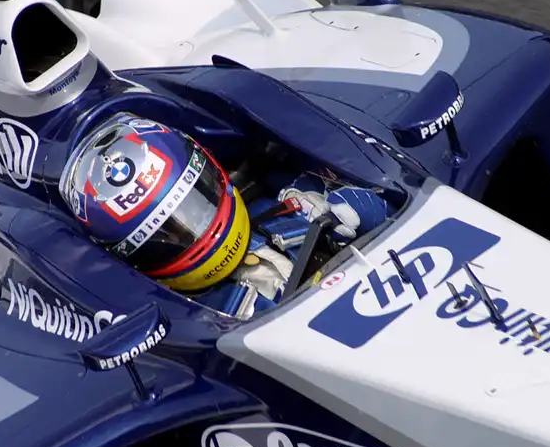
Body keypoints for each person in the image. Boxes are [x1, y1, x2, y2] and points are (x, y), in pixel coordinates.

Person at [59, 113, 393, 318]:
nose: (196, 233)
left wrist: (363, 208)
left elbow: (390, 205)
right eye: (165, 236)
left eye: (193, 206)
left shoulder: (291, 202)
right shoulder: (200, 320)